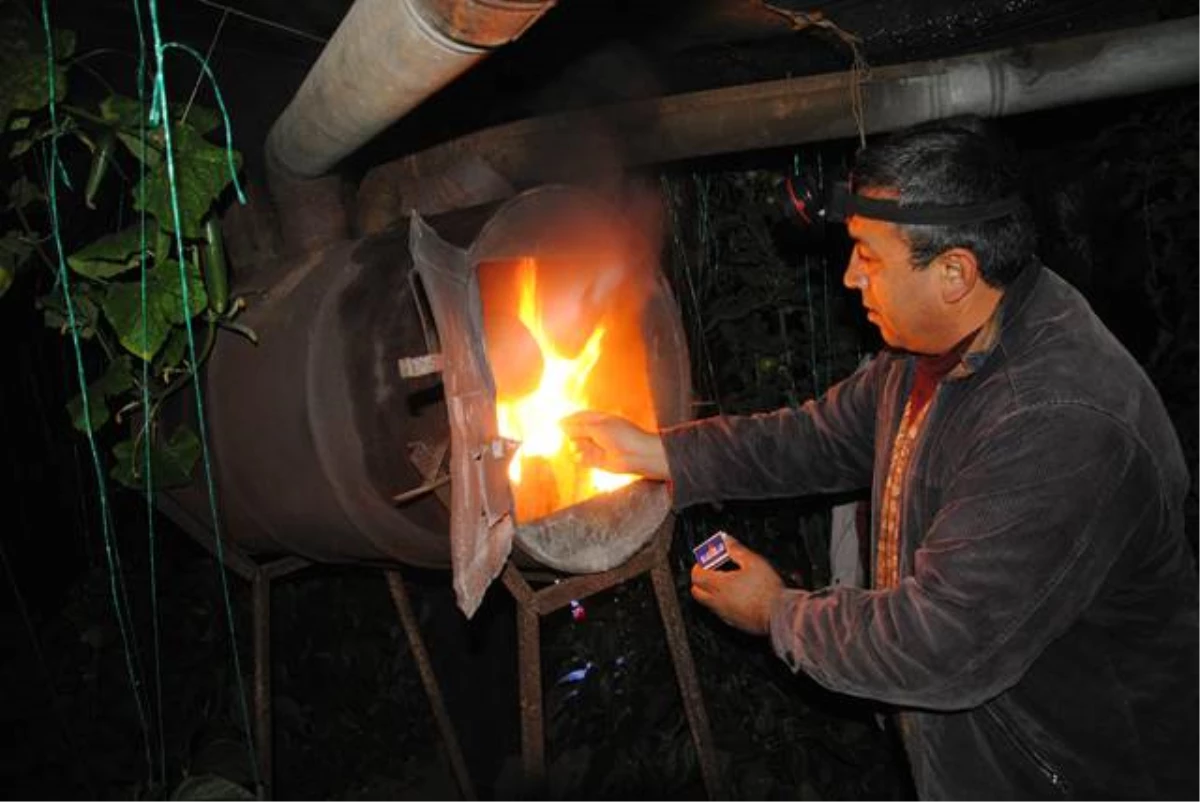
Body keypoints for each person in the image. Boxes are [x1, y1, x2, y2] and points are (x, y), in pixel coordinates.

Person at [562, 117, 1200, 801]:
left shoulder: (1057, 425)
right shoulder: (939, 347)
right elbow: (819, 438)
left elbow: (937, 645)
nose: (847, 277)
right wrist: (657, 451)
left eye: (867, 255)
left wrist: (777, 613)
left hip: (1069, 776)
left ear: (954, 271)